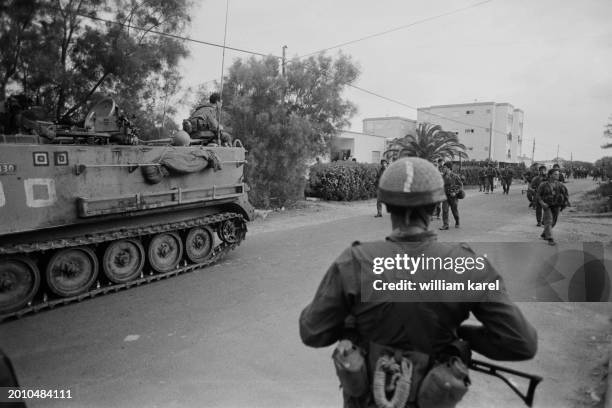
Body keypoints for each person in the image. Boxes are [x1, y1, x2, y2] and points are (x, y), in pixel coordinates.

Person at [299, 157, 537, 408]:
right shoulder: (466, 265)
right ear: (436, 204)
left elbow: (312, 331)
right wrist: (459, 337)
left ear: (387, 205)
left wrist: (351, 325)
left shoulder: (354, 261)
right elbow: (521, 342)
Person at [536, 168, 569, 246]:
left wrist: (564, 204)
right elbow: (538, 195)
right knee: (549, 221)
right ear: (550, 175)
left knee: (553, 223)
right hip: (547, 205)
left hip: (556, 205)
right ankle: (550, 239)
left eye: (558, 174)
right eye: (555, 174)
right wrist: (542, 203)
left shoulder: (560, 185)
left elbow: (566, 194)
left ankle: (544, 234)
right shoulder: (543, 184)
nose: (557, 175)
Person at [440, 162, 462, 229]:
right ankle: (445, 225)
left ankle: (457, 221)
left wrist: (455, 192)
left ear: (449, 168)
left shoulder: (455, 176)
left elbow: (460, 186)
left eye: (444, 167)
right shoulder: (442, 176)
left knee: (454, 210)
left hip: (453, 196)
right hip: (445, 196)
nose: (443, 169)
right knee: (445, 210)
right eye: (443, 168)